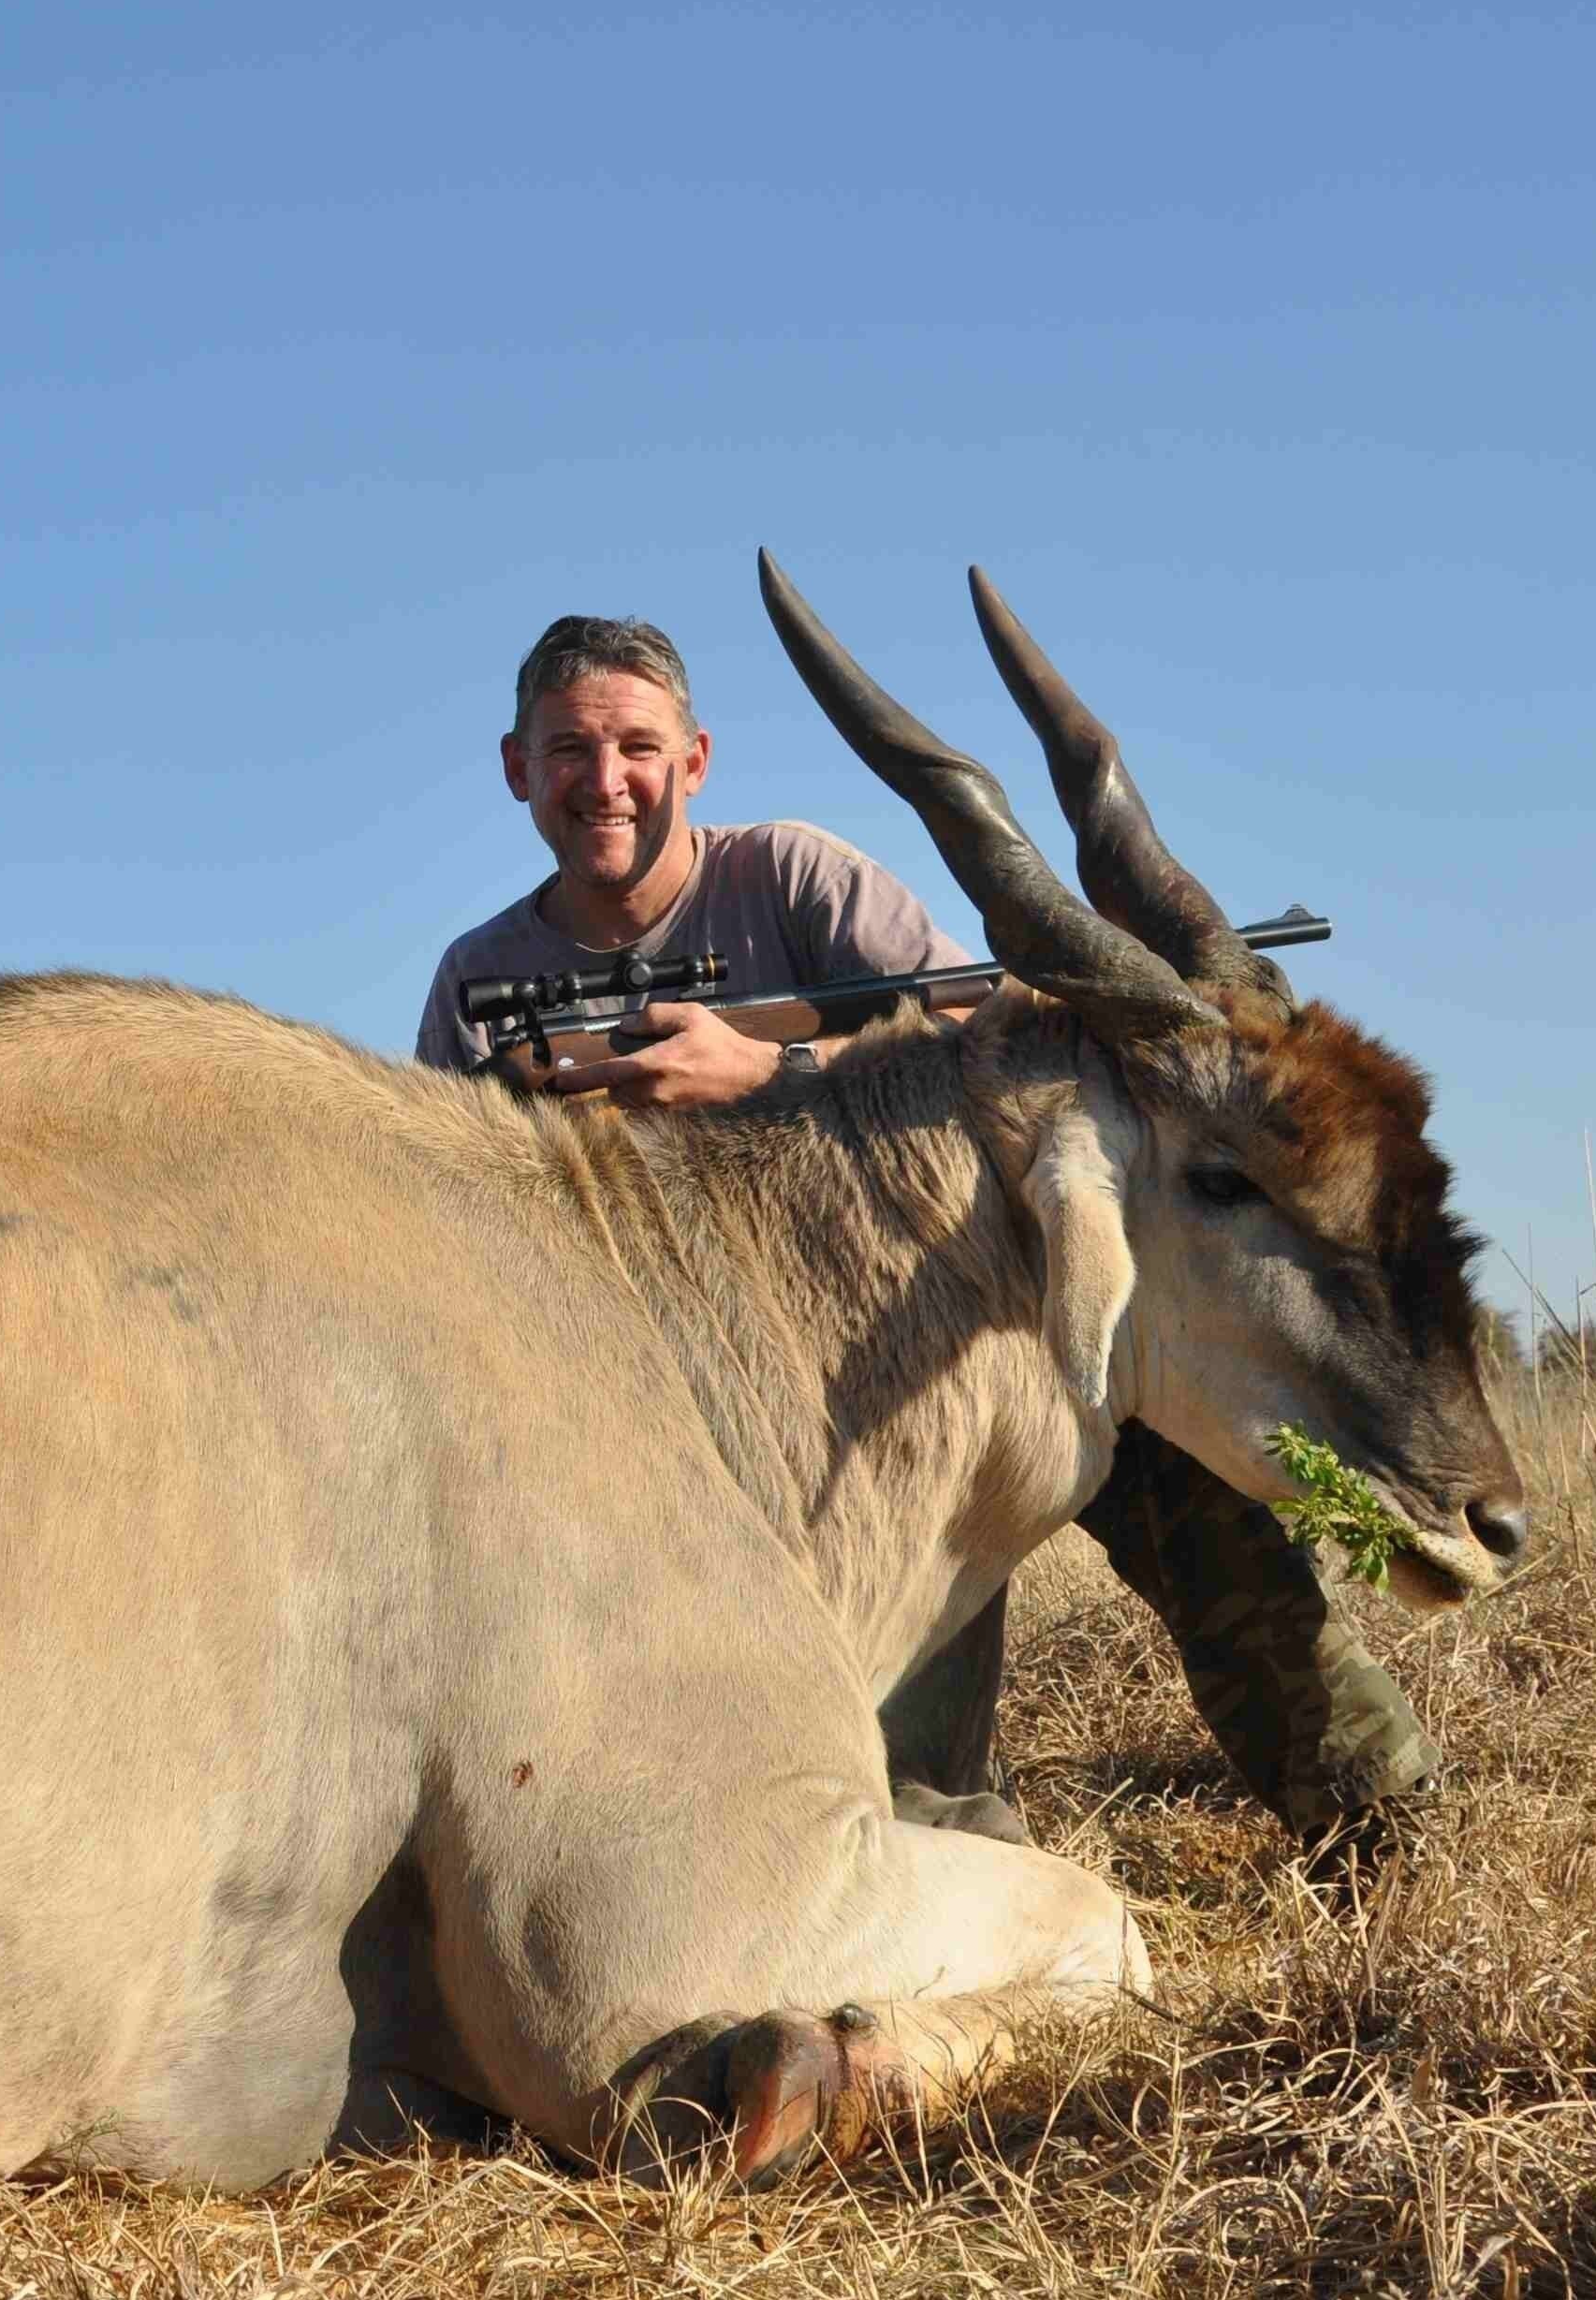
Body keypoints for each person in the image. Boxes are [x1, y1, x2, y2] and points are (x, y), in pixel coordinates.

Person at [418, 612, 1440, 1849]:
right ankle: (907, 1845)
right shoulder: (478, 979)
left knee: (1173, 1473)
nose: (606, 781)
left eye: (637, 746)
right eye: (571, 750)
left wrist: (769, 1066)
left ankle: (1374, 1815)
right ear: (519, 768)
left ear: (693, 761)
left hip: (925, 1312)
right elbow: (451, 1206)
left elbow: (1008, 1031)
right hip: (662, 1379)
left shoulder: (794, 878)